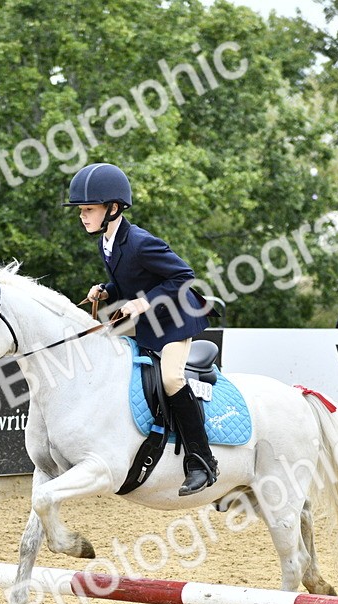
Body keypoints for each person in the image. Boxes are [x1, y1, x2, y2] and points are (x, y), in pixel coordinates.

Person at [65, 162, 217, 496]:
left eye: (88, 209)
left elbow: (183, 276)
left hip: (177, 320)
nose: (82, 216)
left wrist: (144, 301)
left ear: (113, 208)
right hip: (150, 323)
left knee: (171, 379)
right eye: (81, 210)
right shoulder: (107, 241)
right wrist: (107, 290)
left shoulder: (141, 242)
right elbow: (131, 279)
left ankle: (201, 462)